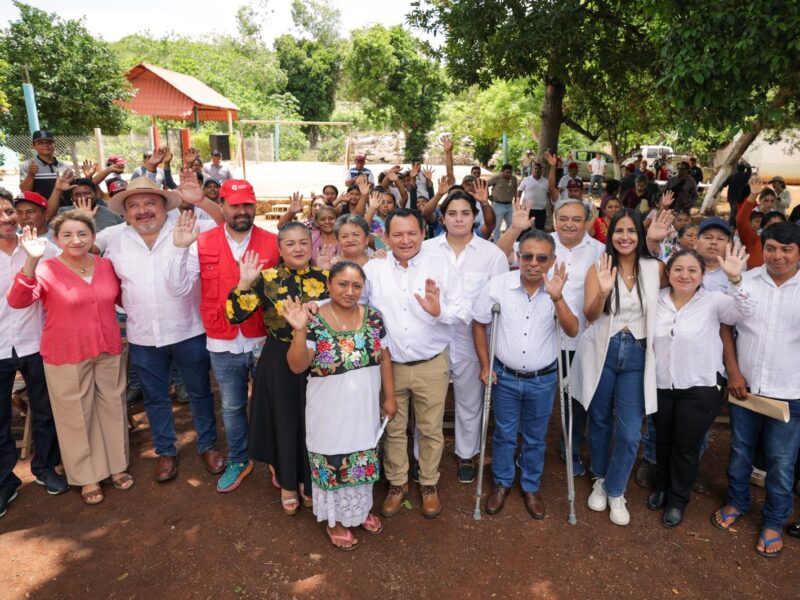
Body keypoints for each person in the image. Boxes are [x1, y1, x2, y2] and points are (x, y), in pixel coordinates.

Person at [96, 173, 224, 483]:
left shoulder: (188, 225)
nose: (142, 211)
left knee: (199, 392)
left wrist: (202, 201)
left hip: (188, 330)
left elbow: (225, 225)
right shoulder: (113, 237)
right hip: (142, 334)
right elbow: (78, 248)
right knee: (154, 398)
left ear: (164, 207)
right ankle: (166, 451)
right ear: (126, 212)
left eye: (150, 203)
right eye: (135, 205)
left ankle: (208, 446)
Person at [8, 214, 131, 505]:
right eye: (67, 235)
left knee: (113, 408)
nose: (76, 240)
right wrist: (30, 261)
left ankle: (116, 466)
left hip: (107, 347)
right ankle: (87, 475)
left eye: (82, 234)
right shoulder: (48, 268)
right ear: (56, 240)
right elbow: (18, 300)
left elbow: (125, 298)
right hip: (66, 352)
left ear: (92, 236)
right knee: (76, 416)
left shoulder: (105, 265)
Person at [167, 179, 280, 493]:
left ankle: (275, 459)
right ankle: (239, 459)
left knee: (269, 402)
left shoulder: (273, 241)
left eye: (248, 205)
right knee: (231, 406)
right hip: (222, 338)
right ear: (224, 206)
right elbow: (178, 288)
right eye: (235, 205)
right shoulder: (201, 241)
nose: (242, 211)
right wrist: (179, 248)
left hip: (263, 338)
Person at [363, 208, 469, 520]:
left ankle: (428, 483)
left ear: (424, 233)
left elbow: (463, 309)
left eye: (412, 233)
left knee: (430, 428)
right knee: (393, 427)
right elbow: (355, 305)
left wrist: (440, 312)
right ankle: (397, 484)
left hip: (431, 363)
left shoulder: (442, 266)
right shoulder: (373, 270)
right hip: (389, 366)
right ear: (385, 237)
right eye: (398, 234)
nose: (405, 240)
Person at [284, 262, 396, 551]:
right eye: (342, 284)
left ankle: (358, 511)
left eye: (356, 286)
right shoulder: (313, 319)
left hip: (364, 405)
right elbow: (297, 366)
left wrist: (390, 397)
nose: (349, 291)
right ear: (329, 285)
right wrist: (298, 331)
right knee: (332, 457)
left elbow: (384, 358)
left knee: (362, 456)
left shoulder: (374, 318)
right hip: (328, 409)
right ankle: (335, 520)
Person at [571, 208, 668, 526]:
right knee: (598, 422)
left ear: (641, 235)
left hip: (638, 355)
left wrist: (656, 246)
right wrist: (602, 290)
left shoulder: (655, 268)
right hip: (603, 350)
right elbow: (591, 314)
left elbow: (683, 291)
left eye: (631, 231)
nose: (624, 237)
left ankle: (615, 489)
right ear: (609, 235)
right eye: (618, 231)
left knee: (628, 433)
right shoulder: (599, 268)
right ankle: (600, 478)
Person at [473, 230, 578, 518]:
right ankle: (502, 483)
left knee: (535, 436)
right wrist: (485, 365)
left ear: (552, 260)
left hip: (542, 379)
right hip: (504, 377)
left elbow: (572, 329)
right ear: (518, 257)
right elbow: (479, 323)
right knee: (504, 434)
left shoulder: (558, 288)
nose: (533, 263)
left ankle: (530, 485)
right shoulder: (499, 285)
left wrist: (557, 298)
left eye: (541, 258)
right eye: (527, 256)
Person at [226, 222, 329, 514]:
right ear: (280, 248)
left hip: (317, 356)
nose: (298, 248)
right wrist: (244, 284)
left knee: (314, 421)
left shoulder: (326, 277)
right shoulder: (266, 277)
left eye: (303, 242)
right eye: (290, 244)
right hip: (278, 358)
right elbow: (235, 316)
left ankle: (311, 483)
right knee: (285, 421)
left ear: (311, 245)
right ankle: (287, 482)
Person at [712, 223, 800, 558]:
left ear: (798, 253)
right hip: (744, 387)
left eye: (787, 249)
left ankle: (774, 521)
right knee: (740, 451)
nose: (778, 256)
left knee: (781, 461)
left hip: (790, 392)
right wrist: (733, 370)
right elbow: (725, 327)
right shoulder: (745, 280)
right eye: (772, 248)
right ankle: (737, 501)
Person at [649, 245, 751, 528]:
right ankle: (662, 486)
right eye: (678, 269)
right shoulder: (656, 300)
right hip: (661, 384)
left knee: (686, 446)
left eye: (692, 270)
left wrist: (735, 280)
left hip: (699, 386)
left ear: (702, 274)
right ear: (668, 273)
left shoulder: (714, 300)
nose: (685, 275)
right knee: (662, 440)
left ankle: (678, 499)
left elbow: (743, 312)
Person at [423, 191, 508, 483]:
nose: (459, 219)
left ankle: (466, 454)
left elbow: (495, 300)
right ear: (442, 218)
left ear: (475, 217)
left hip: (474, 339)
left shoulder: (491, 255)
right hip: (432, 336)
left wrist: (449, 312)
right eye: (452, 214)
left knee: (469, 401)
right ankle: (422, 459)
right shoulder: (426, 250)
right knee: (428, 402)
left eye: (465, 213)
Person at [0, 194, 67, 517]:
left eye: (9, 211)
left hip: (37, 343)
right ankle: (4, 482)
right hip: (0, 346)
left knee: (45, 409)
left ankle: (45, 467)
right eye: (0, 214)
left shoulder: (43, 247)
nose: (7, 218)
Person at [736, 178, 787, 268]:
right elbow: (741, 221)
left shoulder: (788, 246)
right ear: (764, 227)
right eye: (766, 200)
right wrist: (753, 195)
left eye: (772, 201)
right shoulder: (755, 241)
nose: (769, 204)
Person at [47, 174, 123, 233]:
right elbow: (47, 218)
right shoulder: (62, 213)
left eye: (87, 193)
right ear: (72, 198)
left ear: (96, 194)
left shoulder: (112, 214)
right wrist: (57, 190)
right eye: (78, 194)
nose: (83, 197)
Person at [19, 131, 66, 204]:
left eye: (49, 142)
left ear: (54, 145)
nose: (45, 145)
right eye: (41, 143)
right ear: (33, 146)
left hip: (64, 208)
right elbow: (24, 191)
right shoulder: (28, 165)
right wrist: (31, 174)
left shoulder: (65, 166)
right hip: (41, 209)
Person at [488, 165, 518, 241]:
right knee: (497, 226)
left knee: (511, 225)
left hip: (509, 205)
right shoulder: (496, 178)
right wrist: (488, 196)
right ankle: (496, 243)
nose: (509, 174)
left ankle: (507, 241)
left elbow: (515, 189)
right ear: (502, 171)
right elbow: (485, 185)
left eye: (510, 172)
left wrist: (516, 200)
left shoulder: (514, 179)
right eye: (507, 172)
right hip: (498, 205)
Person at [517, 162, 550, 231]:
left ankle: (538, 241)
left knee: (540, 229)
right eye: (535, 168)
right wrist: (518, 203)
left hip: (541, 210)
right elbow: (519, 191)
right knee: (526, 228)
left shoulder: (546, 181)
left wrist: (551, 205)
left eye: (539, 169)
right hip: (528, 209)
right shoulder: (526, 180)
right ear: (532, 170)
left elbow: (549, 194)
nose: (537, 170)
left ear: (542, 170)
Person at [718, 160, 752, 225]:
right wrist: (746, 163)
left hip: (732, 197)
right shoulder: (746, 176)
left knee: (733, 211)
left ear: (737, 169)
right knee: (739, 211)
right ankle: (735, 223)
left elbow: (723, 184)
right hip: (742, 197)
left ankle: (732, 224)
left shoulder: (732, 176)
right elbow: (749, 170)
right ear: (744, 169)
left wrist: (718, 191)